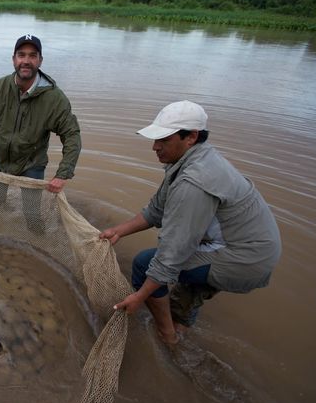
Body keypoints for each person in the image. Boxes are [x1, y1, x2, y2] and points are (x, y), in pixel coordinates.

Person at [99, 101, 281, 345]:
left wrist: (140, 297)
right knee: (183, 276)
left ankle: (168, 335)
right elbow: (156, 211)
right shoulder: (191, 159)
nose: (154, 146)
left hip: (246, 257)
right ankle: (182, 326)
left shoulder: (194, 181)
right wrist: (117, 231)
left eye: (163, 139)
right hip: (242, 245)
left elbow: (173, 251)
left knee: (145, 265)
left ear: (191, 137)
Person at [0, 34, 81, 194]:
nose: (26, 61)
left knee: (32, 215)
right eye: (21, 55)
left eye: (32, 56)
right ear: (14, 59)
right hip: (0, 160)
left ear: (40, 60)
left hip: (32, 165)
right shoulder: (0, 87)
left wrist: (63, 174)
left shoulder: (55, 98)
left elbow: (72, 135)